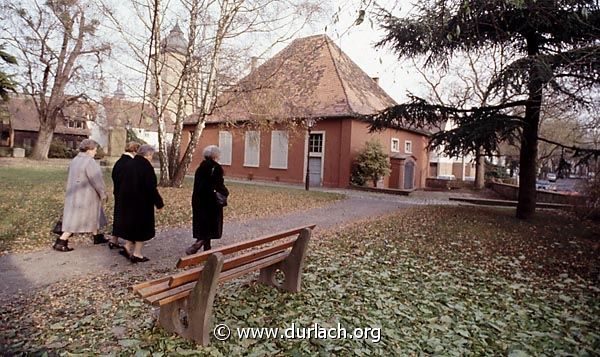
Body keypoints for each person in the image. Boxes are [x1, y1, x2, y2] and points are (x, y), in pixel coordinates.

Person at [53, 139, 108, 252]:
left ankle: (97, 236)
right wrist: (103, 193)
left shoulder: (75, 160)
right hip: (86, 195)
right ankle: (61, 241)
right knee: (77, 219)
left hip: (74, 193)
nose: (95, 152)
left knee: (94, 214)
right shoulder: (89, 162)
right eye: (94, 150)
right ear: (89, 150)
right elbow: (96, 180)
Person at [117, 144, 164, 263]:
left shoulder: (129, 164)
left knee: (131, 225)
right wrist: (159, 203)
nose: (151, 158)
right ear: (148, 154)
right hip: (142, 202)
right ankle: (137, 253)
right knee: (141, 228)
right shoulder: (146, 167)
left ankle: (127, 246)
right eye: (151, 155)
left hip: (127, 200)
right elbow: (151, 188)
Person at [187, 145, 229, 255]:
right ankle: (200, 243)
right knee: (211, 224)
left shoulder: (200, 167)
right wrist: (225, 192)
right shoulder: (217, 168)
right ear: (215, 155)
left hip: (198, 200)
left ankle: (206, 247)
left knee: (203, 223)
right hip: (211, 201)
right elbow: (219, 184)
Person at [110, 141, 141, 249]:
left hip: (118, 192)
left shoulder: (119, 162)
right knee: (129, 216)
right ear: (134, 150)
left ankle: (114, 239)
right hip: (129, 193)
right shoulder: (131, 163)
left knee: (118, 214)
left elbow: (114, 176)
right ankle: (129, 241)